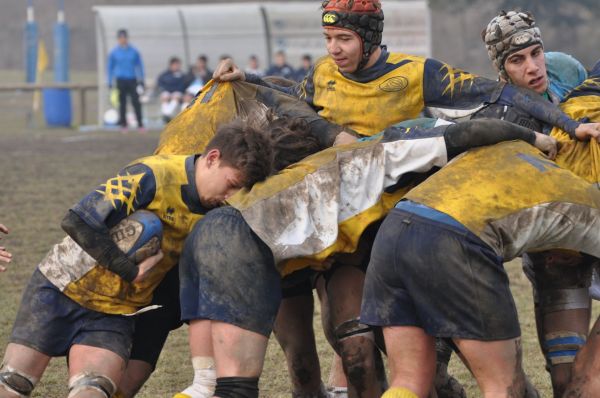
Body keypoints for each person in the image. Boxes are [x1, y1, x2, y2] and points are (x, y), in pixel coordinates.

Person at [210, 1, 600, 396]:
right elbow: (295, 96)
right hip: (372, 232)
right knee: (381, 354)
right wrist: (251, 79)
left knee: (501, 367)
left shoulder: (423, 74)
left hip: (416, 224)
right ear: (502, 67)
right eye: (329, 38)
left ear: (368, 37)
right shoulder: (324, 75)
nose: (334, 48)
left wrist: (571, 125)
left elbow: (529, 102)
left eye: (344, 38)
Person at [177, 116, 562, 398]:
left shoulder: (288, 176)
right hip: (242, 243)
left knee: (208, 385)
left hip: (206, 236)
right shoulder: (382, 152)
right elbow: (474, 131)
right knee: (236, 390)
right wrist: (537, 139)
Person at [0, 120, 275, 398]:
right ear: (213, 158)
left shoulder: (218, 213)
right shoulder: (153, 174)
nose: (230, 196)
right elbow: (77, 221)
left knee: (94, 389)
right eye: (231, 184)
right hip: (60, 288)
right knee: (14, 384)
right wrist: (129, 271)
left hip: (116, 312)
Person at [360, 134, 600, 398]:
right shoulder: (591, 212)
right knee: (503, 386)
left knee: (408, 381)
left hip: (395, 229)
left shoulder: (520, 153)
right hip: (453, 240)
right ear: (564, 257)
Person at [479, 11, 591, 397]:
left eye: (535, 52)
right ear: (502, 69)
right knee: (567, 381)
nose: (533, 67)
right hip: (557, 254)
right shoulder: (502, 116)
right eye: (517, 60)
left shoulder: (565, 69)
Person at [107, 29, 145, 132]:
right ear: (118, 39)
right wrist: (110, 82)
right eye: (120, 38)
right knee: (122, 103)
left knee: (136, 102)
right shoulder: (114, 52)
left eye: (124, 37)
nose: (122, 39)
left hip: (132, 79)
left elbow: (139, 66)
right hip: (120, 80)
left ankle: (140, 124)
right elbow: (110, 68)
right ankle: (123, 124)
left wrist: (141, 79)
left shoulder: (133, 51)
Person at [157, 56, 188, 122]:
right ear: (171, 65)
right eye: (176, 65)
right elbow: (160, 84)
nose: (177, 66)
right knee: (164, 96)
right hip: (167, 92)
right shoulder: (164, 75)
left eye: (178, 65)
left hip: (178, 92)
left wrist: (175, 92)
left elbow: (183, 86)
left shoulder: (182, 75)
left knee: (176, 96)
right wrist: (166, 91)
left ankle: (167, 115)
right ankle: (167, 115)